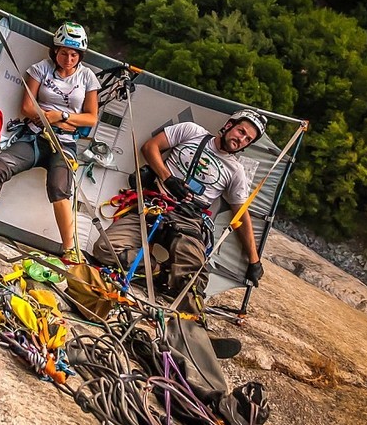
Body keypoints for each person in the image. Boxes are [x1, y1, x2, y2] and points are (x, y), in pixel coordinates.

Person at [92, 109, 267, 315]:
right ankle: (157, 271)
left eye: (248, 139)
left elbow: (241, 217)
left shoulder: (235, 171)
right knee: (104, 249)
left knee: (193, 278)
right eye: (241, 131)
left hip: (189, 218)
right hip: (154, 205)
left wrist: (254, 260)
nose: (241, 139)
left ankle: (194, 327)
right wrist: (167, 178)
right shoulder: (191, 131)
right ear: (229, 125)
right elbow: (150, 147)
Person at [0, 22, 100, 264]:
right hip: (34, 136)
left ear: (80, 55)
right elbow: (27, 107)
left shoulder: (87, 78)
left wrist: (61, 116)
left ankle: (70, 250)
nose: (68, 58)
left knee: (59, 187)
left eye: (74, 54)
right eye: (64, 52)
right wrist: (51, 118)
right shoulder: (40, 69)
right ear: (55, 50)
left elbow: (91, 117)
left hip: (64, 143)